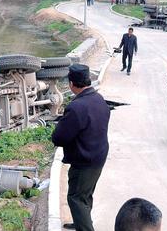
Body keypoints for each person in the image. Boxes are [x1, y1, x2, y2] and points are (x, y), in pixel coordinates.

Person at [52, 64, 111, 231]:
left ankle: (85, 227)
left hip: (85, 160)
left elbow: (59, 137)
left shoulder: (77, 107)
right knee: (85, 195)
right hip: (98, 156)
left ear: (71, 84)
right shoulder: (98, 99)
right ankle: (81, 222)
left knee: (76, 198)